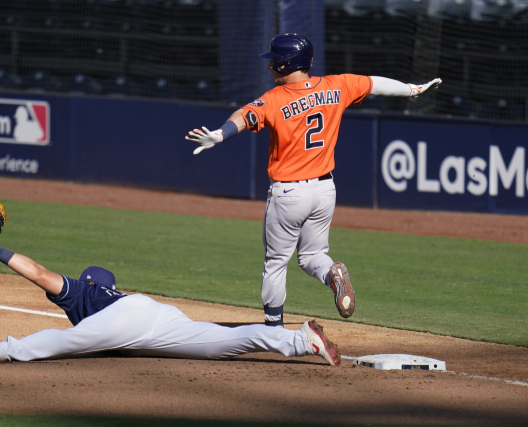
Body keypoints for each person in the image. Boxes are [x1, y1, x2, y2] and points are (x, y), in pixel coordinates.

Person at [186, 33, 441, 327]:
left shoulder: (275, 99)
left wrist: (220, 134)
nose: (270, 67)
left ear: (285, 64)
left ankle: (273, 329)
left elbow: (244, 116)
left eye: (273, 62)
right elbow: (375, 83)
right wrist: (412, 90)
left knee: (276, 263)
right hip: (325, 190)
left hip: (288, 193)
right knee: (312, 256)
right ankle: (333, 272)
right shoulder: (338, 84)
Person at [0, 214, 341, 366]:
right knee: (223, 342)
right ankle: (299, 340)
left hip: (128, 320)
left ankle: (3, 349)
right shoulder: (110, 293)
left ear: (91, 281)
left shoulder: (82, 292)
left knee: (70, 341)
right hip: (156, 315)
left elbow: (37, 271)